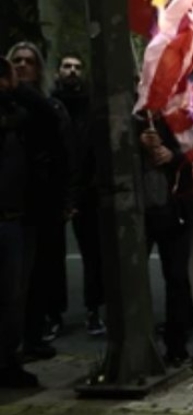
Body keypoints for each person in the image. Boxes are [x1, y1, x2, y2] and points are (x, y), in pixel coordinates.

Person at [0, 56, 64, 387]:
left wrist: (17, 87)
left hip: (19, 215)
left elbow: (49, 120)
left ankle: (9, 361)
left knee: (15, 297)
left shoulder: (21, 111)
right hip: (9, 216)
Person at [135, 113, 193, 366]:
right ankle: (140, 344)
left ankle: (176, 345)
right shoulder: (123, 117)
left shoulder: (179, 115)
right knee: (132, 279)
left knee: (177, 279)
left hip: (173, 211)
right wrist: (136, 143)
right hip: (138, 213)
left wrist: (173, 156)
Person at [50, 54, 105, 337]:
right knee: (50, 255)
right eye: (67, 66)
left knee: (93, 253)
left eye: (77, 67)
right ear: (58, 72)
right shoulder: (50, 105)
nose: (72, 71)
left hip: (86, 190)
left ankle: (94, 309)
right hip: (54, 189)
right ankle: (53, 313)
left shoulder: (91, 107)